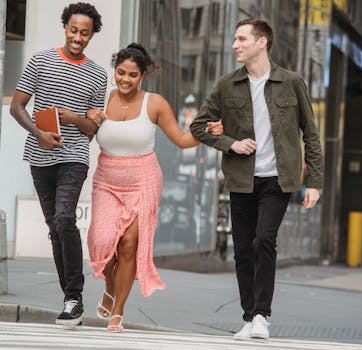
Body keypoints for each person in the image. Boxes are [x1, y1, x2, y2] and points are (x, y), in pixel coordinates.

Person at [190, 18, 323, 340]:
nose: (235, 45)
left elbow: (312, 134)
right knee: (243, 250)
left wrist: (315, 182)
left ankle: (262, 315)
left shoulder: (291, 82)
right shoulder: (226, 85)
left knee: (264, 240)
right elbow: (198, 126)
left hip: (278, 178)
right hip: (241, 179)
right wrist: (230, 143)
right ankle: (249, 318)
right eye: (235, 39)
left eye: (241, 39)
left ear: (261, 42)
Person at [85, 43, 223, 333]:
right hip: (107, 179)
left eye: (132, 75)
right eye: (120, 72)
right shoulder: (102, 98)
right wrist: (85, 121)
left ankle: (118, 312)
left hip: (143, 179)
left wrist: (206, 132)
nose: (125, 79)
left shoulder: (155, 103)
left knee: (129, 244)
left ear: (143, 75)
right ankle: (110, 287)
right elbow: (83, 139)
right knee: (102, 241)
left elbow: (182, 140)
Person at [9, 2, 107, 327]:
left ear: (92, 35)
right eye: (74, 30)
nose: (78, 37)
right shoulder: (39, 61)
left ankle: (74, 296)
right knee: (54, 227)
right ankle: (71, 299)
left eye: (85, 33)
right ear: (65, 27)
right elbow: (17, 106)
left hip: (74, 156)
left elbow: (93, 128)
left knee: (65, 218)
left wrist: (72, 118)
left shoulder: (98, 74)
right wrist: (39, 132)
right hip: (40, 155)